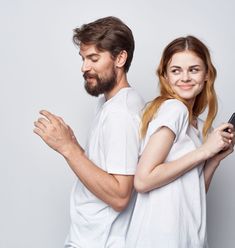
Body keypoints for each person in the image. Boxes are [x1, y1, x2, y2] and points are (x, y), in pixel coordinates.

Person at [33, 16, 144, 248]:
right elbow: (108, 171)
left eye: (94, 58)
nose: (85, 67)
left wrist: (68, 149)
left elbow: (120, 196)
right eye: (83, 59)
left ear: (120, 58)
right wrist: (76, 148)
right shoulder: (109, 104)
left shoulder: (120, 113)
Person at [126, 36, 235, 248]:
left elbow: (192, 193)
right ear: (165, 76)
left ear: (206, 75)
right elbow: (143, 180)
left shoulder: (199, 126)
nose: (185, 77)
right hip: (158, 240)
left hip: (185, 238)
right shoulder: (174, 110)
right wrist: (204, 151)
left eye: (194, 69)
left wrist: (213, 160)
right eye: (176, 70)